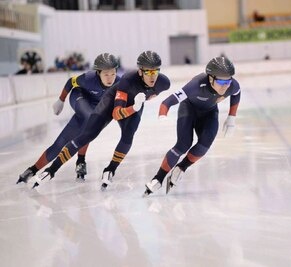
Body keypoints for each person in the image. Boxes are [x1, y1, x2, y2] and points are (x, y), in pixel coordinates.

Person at [31, 51, 171, 190]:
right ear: (140, 71)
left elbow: (152, 92)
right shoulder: (127, 80)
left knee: (128, 136)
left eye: (156, 71)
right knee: (88, 134)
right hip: (113, 102)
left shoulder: (164, 83)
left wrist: (139, 104)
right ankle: (52, 170)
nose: (153, 76)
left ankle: (110, 169)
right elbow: (116, 114)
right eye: (148, 72)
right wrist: (134, 107)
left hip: (135, 105)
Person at [143, 56, 241, 197]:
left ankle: (181, 168)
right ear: (210, 78)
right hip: (189, 110)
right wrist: (162, 115)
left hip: (209, 113)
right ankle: (157, 179)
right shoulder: (196, 85)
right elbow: (167, 102)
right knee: (183, 145)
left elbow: (237, 93)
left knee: (204, 145)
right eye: (221, 81)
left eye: (228, 80)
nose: (225, 85)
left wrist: (232, 117)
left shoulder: (232, 85)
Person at [17, 53, 120, 184]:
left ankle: (34, 169)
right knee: (90, 120)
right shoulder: (88, 78)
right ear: (98, 73)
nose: (110, 77)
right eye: (106, 74)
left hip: (95, 107)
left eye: (113, 73)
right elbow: (70, 82)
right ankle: (78, 160)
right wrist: (61, 100)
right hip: (79, 96)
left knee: (68, 138)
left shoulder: (119, 83)